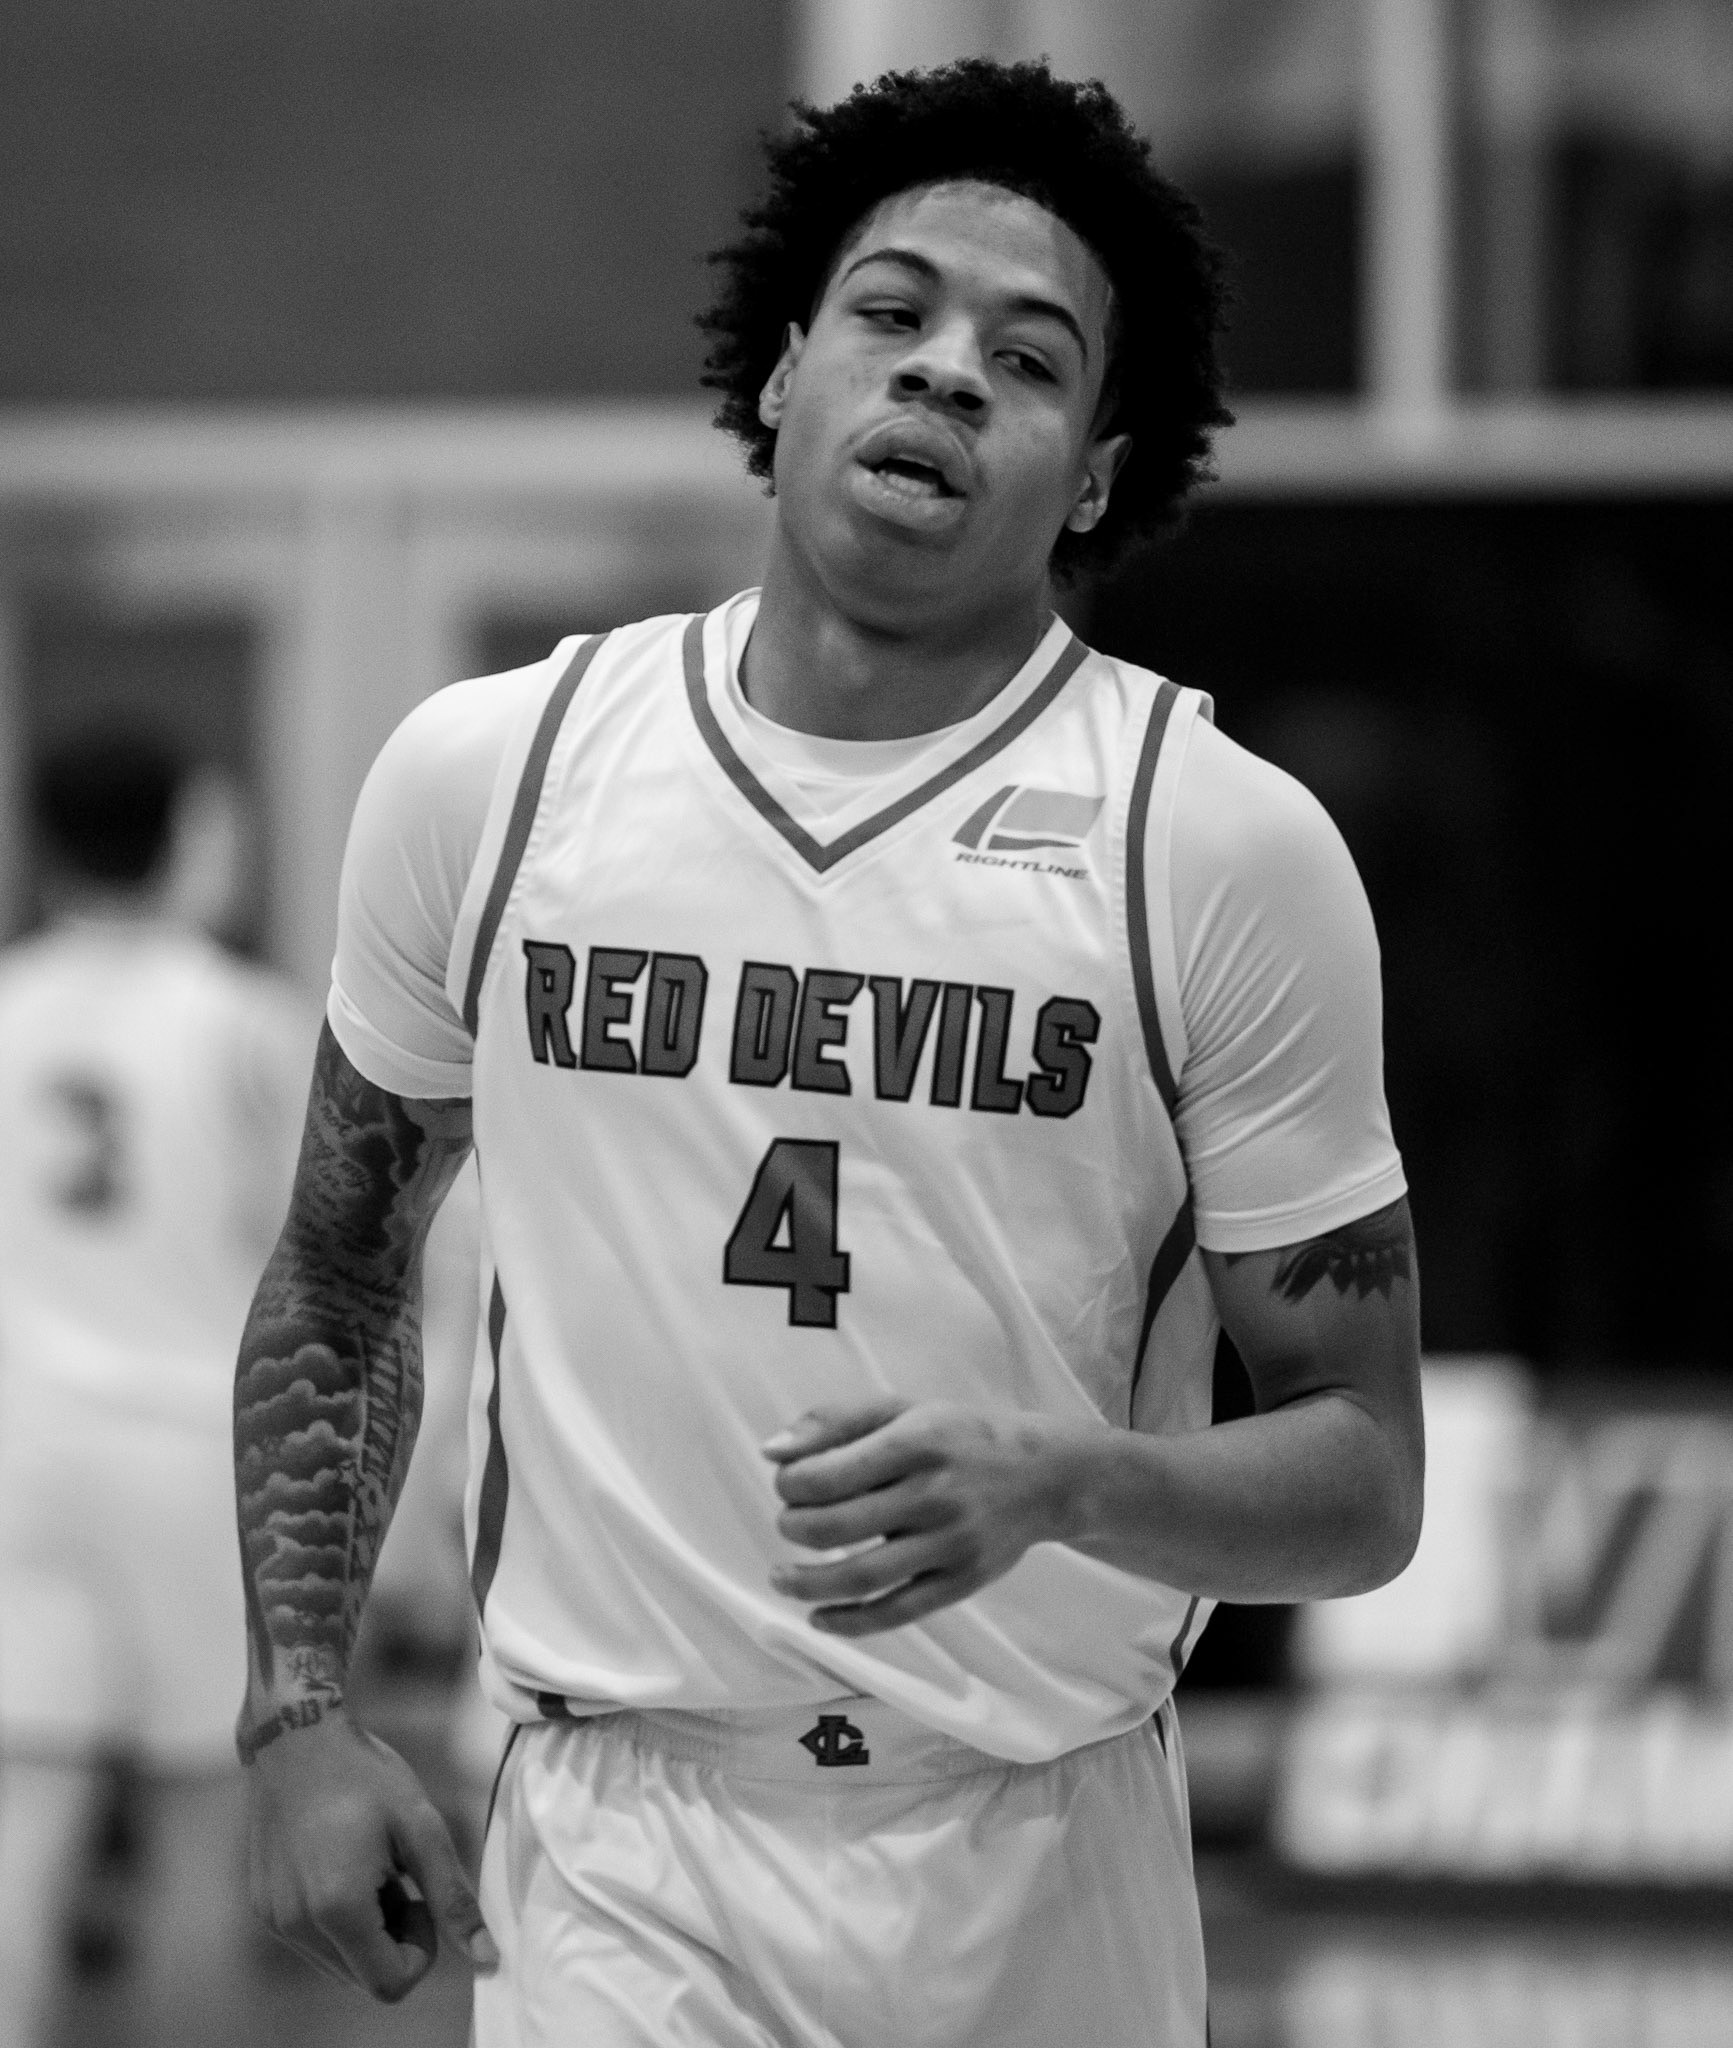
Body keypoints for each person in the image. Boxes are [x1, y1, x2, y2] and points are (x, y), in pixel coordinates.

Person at [235, 57, 1423, 2047]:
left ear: (1097, 475)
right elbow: (343, 1271)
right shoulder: (496, 773)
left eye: (1027, 360)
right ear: (785, 373)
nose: (947, 369)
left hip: (1044, 1840)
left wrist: (1074, 1482)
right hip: (621, 1841)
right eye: (893, 313)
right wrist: (295, 1710)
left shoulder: (1213, 842)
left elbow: (1366, 1471)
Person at [0, 732, 316, 2045]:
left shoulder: (5, 1006)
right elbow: (324, 1257)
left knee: (27, 1810)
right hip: (193, 1455)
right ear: (187, 830)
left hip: (24, 1446)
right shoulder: (243, 1019)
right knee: (201, 1819)